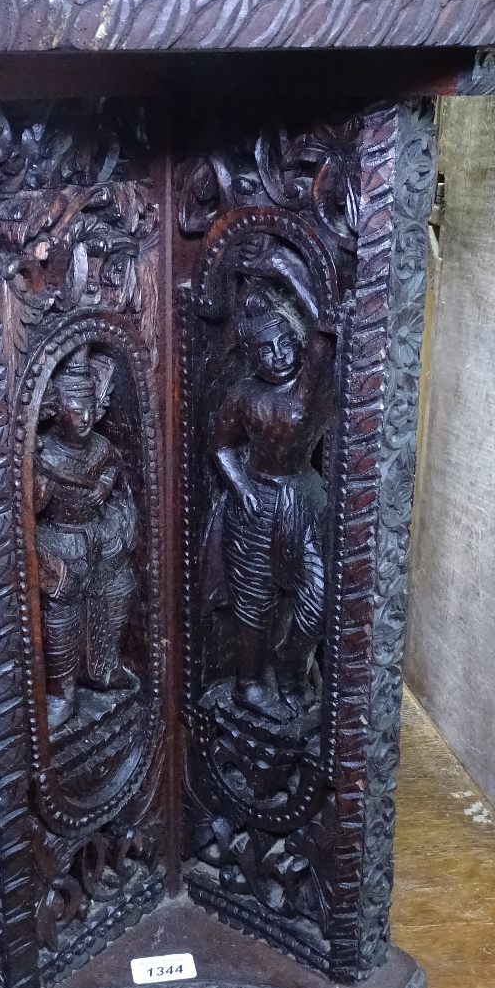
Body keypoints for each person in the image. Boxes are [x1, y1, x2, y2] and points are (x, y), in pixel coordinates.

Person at [208, 260, 335, 717]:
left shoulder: (309, 387)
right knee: (253, 601)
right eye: (266, 349)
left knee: (319, 595)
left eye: (286, 343)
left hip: (302, 497)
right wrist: (240, 486)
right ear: (250, 354)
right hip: (255, 501)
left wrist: (286, 273)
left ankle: (290, 667)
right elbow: (221, 446)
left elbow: (326, 327)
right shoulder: (244, 396)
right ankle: (249, 685)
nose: (279, 354)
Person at [34, 347, 139, 729]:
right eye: (75, 409)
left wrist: (107, 486)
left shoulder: (100, 447)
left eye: (90, 408)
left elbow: (113, 467)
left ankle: (105, 668)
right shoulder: (46, 455)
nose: (85, 418)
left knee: (120, 593)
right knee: (62, 616)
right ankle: (62, 692)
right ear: (53, 411)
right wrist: (39, 492)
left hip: (100, 539)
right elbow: (28, 510)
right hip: (62, 542)